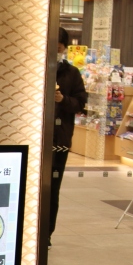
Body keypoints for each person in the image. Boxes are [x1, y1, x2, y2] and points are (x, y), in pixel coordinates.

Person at [50, 26, 88, 245]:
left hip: (59, 139)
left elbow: (80, 103)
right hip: (33, 138)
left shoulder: (71, 73)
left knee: (52, 189)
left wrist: (63, 100)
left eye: (58, 48)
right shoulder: (34, 68)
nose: (55, 52)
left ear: (64, 48)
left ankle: (46, 234)